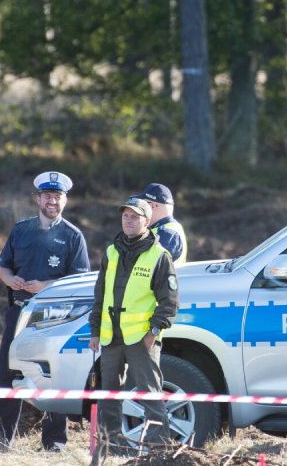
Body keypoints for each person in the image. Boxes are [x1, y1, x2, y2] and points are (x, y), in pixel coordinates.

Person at [0, 171, 90, 452]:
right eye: (47, 196)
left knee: (53, 376)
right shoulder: (21, 229)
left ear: (65, 200)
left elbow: (79, 282)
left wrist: (44, 286)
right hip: (19, 313)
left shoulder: (73, 236)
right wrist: (10, 280)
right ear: (38, 199)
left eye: (57, 197)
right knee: (7, 374)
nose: (52, 201)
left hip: (56, 317)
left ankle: (55, 443)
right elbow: (4, 267)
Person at [88, 197, 178, 461]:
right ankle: (110, 449)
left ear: (147, 222)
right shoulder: (111, 252)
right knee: (108, 396)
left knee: (150, 396)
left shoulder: (159, 256)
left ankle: (160, 452)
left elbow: (170, 302)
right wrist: (95, 331)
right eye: (125, 216)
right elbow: (100, 295)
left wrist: (153, 332)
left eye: (134, 217)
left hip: (141, 338)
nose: (128, 220)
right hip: (110, 336)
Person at [135, 183, 187, 265]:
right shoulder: (166, 230)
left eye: (142, 205)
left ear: (153, 206)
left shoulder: (167, 234)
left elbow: (148, 265)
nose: (139, 209)